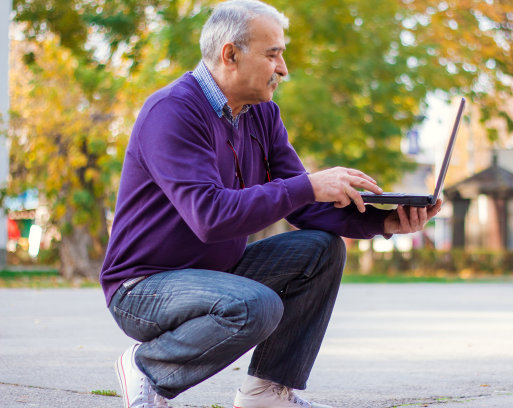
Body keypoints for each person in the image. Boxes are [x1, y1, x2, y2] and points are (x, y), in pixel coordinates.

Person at [100, 1, 442, 407]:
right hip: (144, 287)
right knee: (255, 306)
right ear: (230, 54)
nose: (283, 69)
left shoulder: (260, 115)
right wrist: (309, 185)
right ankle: (148, 367)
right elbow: (209, 216)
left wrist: (385, 223)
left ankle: (266, 392)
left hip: (216, 276)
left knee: (321, 248)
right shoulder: (173, 111)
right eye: (273, 54)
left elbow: (305, 207)